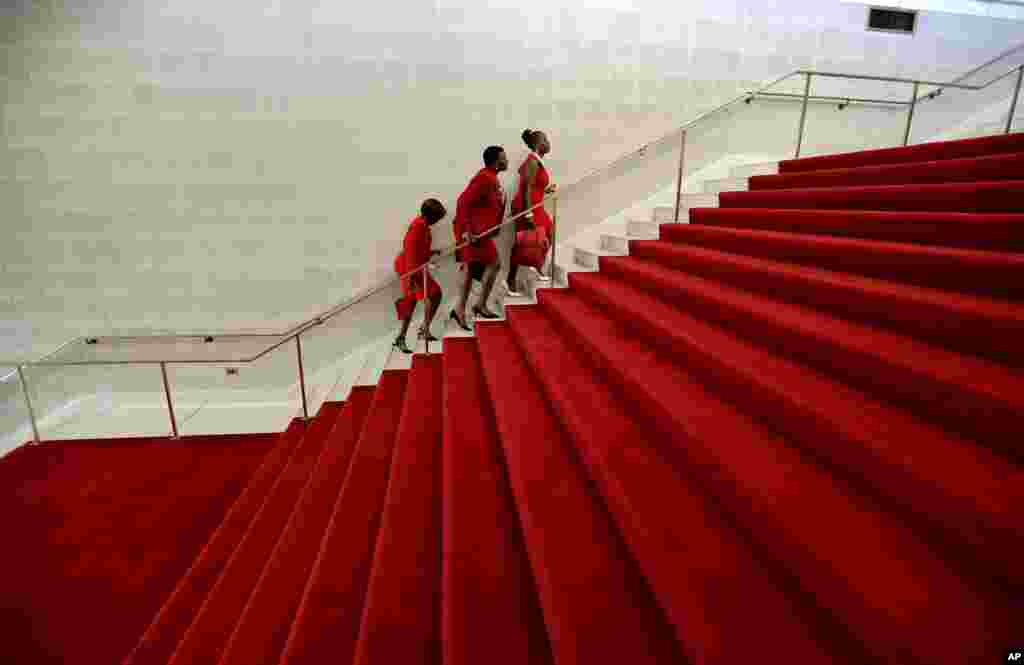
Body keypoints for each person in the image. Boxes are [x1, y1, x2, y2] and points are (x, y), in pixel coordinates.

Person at [450, 145, 508, 329]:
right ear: (496, 161)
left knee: (480, 266)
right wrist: (466, 231)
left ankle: (473, 306)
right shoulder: (484, 177)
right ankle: (467, 307)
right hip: (472, 233)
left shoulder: (491, 178)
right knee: (484, 265)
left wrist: (495, 226)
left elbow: (490, 205)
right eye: (504, 158)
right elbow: (463, 202)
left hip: (481, 233)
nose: (507, 161)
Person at [506, 129, 556, 296]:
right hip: (527, 206)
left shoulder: (537, 161)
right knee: (523, 242)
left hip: (535, 204)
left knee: (548, 233)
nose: (548, 143)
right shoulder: (532, 161)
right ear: (538, 143)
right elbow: (526, 188)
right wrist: (528, 214)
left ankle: (537, 265)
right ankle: (510, 280)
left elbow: (534, 185)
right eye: (546, 139)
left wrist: (546, 189)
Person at [393, 198, 446, 354]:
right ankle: (402, 337)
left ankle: (423, 329)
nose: (437, 222)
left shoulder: (422, 225)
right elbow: (409, 250)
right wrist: (411, 278)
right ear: (431, 216)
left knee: (434, 295)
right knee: (412, 301)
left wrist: (431, 252)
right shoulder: (419, 226)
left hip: (416, 266)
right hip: (409, 268)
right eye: (437, 218)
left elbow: (418, 249)